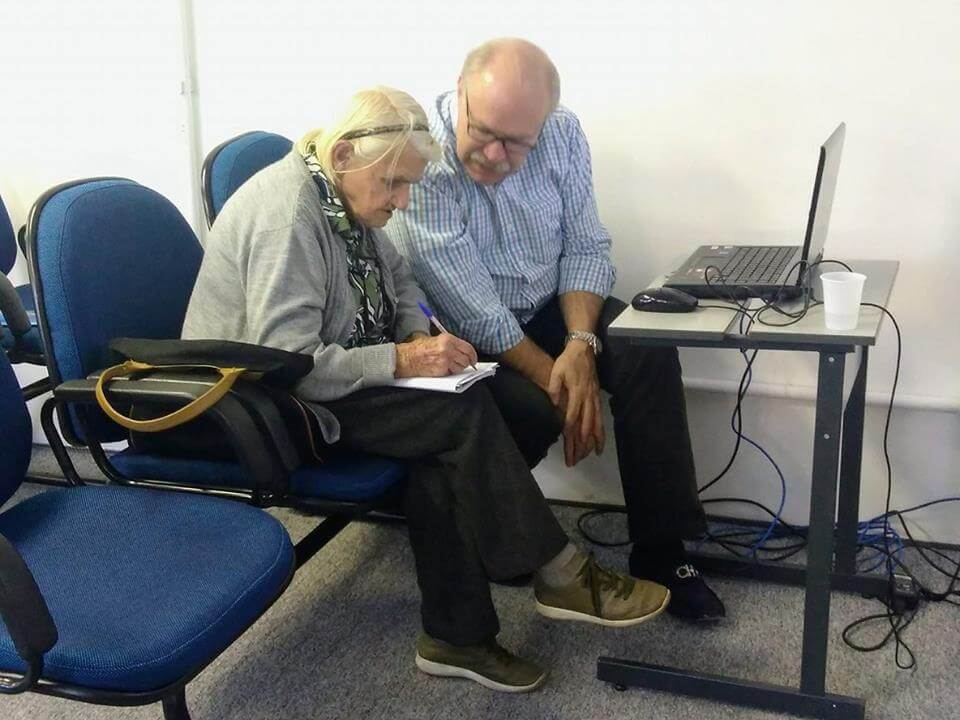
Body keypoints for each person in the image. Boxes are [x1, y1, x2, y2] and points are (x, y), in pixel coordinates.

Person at [182, 86, 670, 693]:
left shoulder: (346, 195)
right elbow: (291, 363)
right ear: (342, 156)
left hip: (333, 371)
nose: (402, 200)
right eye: (394, 185)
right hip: (265, 403)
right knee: (461, 416)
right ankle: (555, 569)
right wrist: (404, 357)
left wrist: (418, 338)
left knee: (514, 406)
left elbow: (403, 279)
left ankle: (457, 637)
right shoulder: (290, 217)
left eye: (410, 185)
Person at [386, 40, 725, 622]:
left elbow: (588, 245)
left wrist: (580, 346)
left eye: (518, 143)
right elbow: (471, 307)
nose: (495, 154)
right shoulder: (424, 157)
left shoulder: (564, 134)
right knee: (533, 408)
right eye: (484, 131)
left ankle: (663, 551)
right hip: (466, 331)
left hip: (551, 305)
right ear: (460, 93)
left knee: (646, 351)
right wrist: (567, 382)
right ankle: (497, 539)